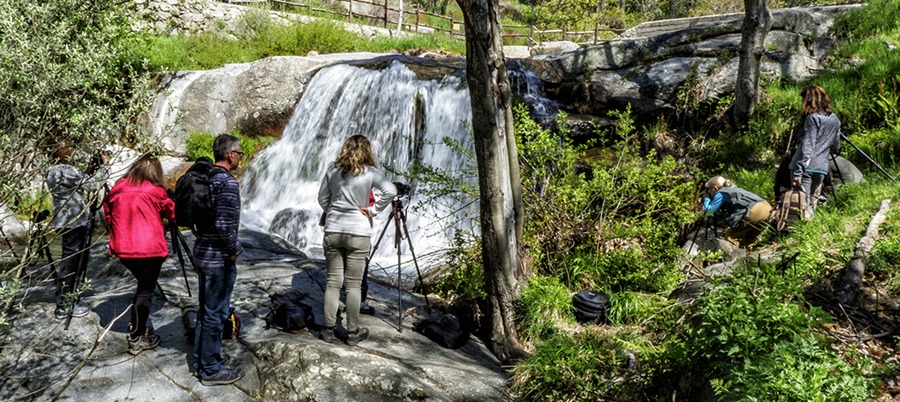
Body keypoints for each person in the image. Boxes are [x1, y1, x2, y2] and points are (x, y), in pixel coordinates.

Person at [317, 135, 396, 346]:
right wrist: (373, 211)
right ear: (367, 151)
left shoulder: (332, 170)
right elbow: (391, 191)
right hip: (359, 232)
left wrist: (332, 210)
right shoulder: (370, 173)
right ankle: (352, 332)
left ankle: (328, 329)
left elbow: (322, 199)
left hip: (333, 230)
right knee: (352, 285)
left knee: (333, 283)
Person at [102, 154, 175, 355]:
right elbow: (172, 213)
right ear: (154, 172)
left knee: (143, 287)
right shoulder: (155, 191)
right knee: (145, 291)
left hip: (123, 248)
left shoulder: (117, 188)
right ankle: (136, 338)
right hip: (150, 250)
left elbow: (108, 214)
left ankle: (137, 326)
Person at [192, 134, 244, 386]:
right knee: (216, 314)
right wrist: (236, 249)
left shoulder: (204, 179)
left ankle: (201, 359)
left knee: (205, 311)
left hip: (202, 254)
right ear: (230, 155)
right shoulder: (228, 183)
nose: (240, 159)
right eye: (240, 154)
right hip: (218, 259)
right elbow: (224, 225)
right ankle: (211, 370)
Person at [46, 146, 109, 319]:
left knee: (71, 258)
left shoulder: (51, 170)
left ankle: (69, 298)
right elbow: (94, 185)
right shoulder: (68, 170)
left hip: (63, 218)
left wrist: (87, 171)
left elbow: (76, 183)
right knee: (71, 260)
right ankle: (65, 305)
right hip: (74, 220)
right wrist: (104, 167)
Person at [789, 85, 841, 217]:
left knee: (802, 204)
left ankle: (804, 232)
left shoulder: (811, 119)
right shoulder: (835, 120)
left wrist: (799, 172)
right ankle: (812, 229)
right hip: (821, 167)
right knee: (812, 201)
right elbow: (836, 146)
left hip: (804, 167)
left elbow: (808, 146)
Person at [701, 176, 772, 248]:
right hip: (767, 209)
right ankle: (749, 255)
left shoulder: (721, 193)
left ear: (715, 188)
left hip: (755, 211)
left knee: (731, 236)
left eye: (708, 189)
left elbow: (710, 211)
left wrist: (706, 198)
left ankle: (734, 257)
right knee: (749, 237)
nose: (708, 191)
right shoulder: (734, 189)